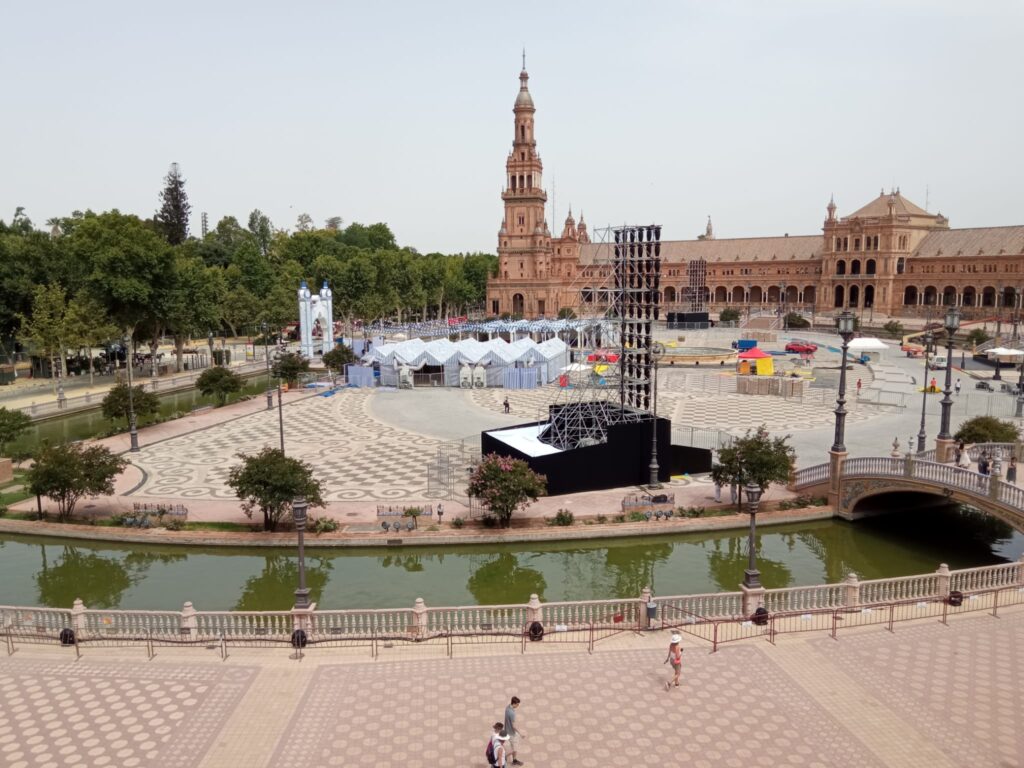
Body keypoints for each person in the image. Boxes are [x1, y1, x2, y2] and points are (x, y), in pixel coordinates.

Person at [503, 697, 524, 766]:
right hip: (511, 733)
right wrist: (520, 733)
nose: (518, 706)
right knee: (514, 749)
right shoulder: (512, 713)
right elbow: (513, 726)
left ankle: (514, 760)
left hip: (507, 730)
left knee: (515, 746)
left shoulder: (507, 707)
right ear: (514, 704)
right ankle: (504, 756)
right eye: (517, 704)